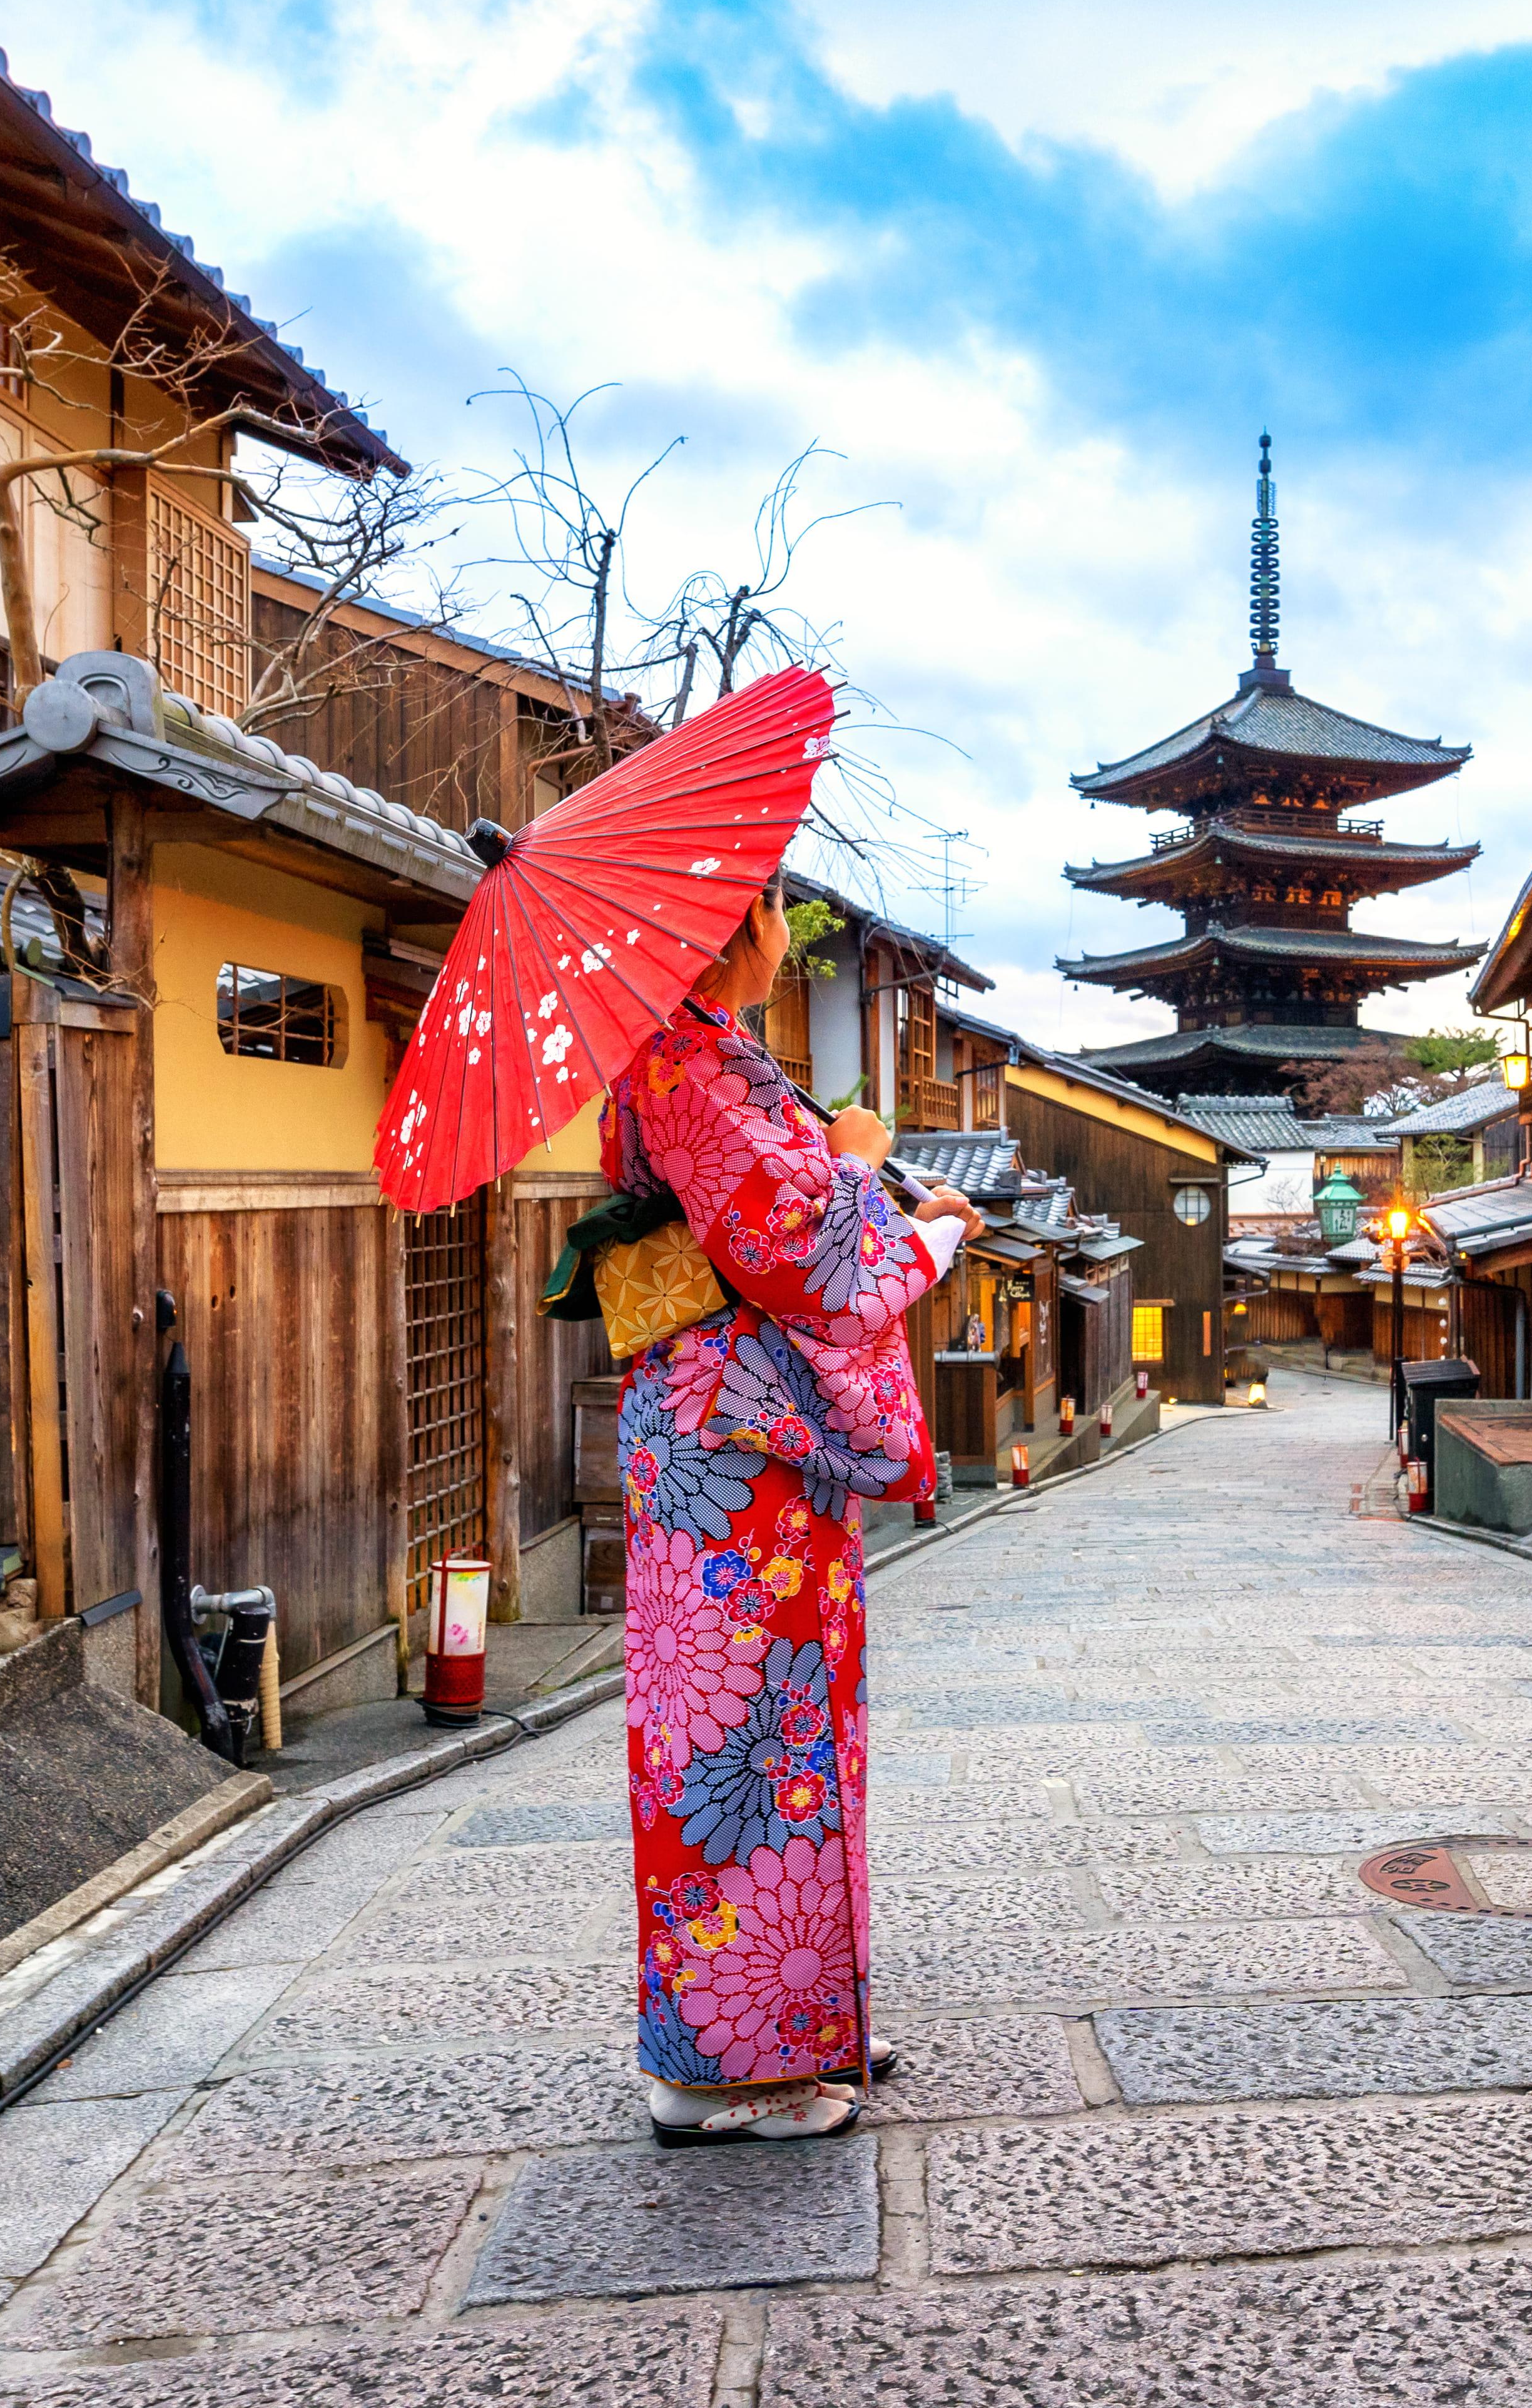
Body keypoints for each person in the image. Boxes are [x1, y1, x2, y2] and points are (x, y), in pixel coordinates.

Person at [607, 887, 977, 2143]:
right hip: (740, 1448)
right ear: (735, 928)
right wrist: (909, 1221)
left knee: (763, 1732)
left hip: (712, 1430)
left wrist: (855, 1172)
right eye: (769, 907)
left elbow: (778, 1220)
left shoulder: (681, 1050)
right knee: (750, 1738)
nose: (781, 930)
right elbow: (807, 1261)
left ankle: (773, 2027)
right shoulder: (697, 1059)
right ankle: (736, 2064)